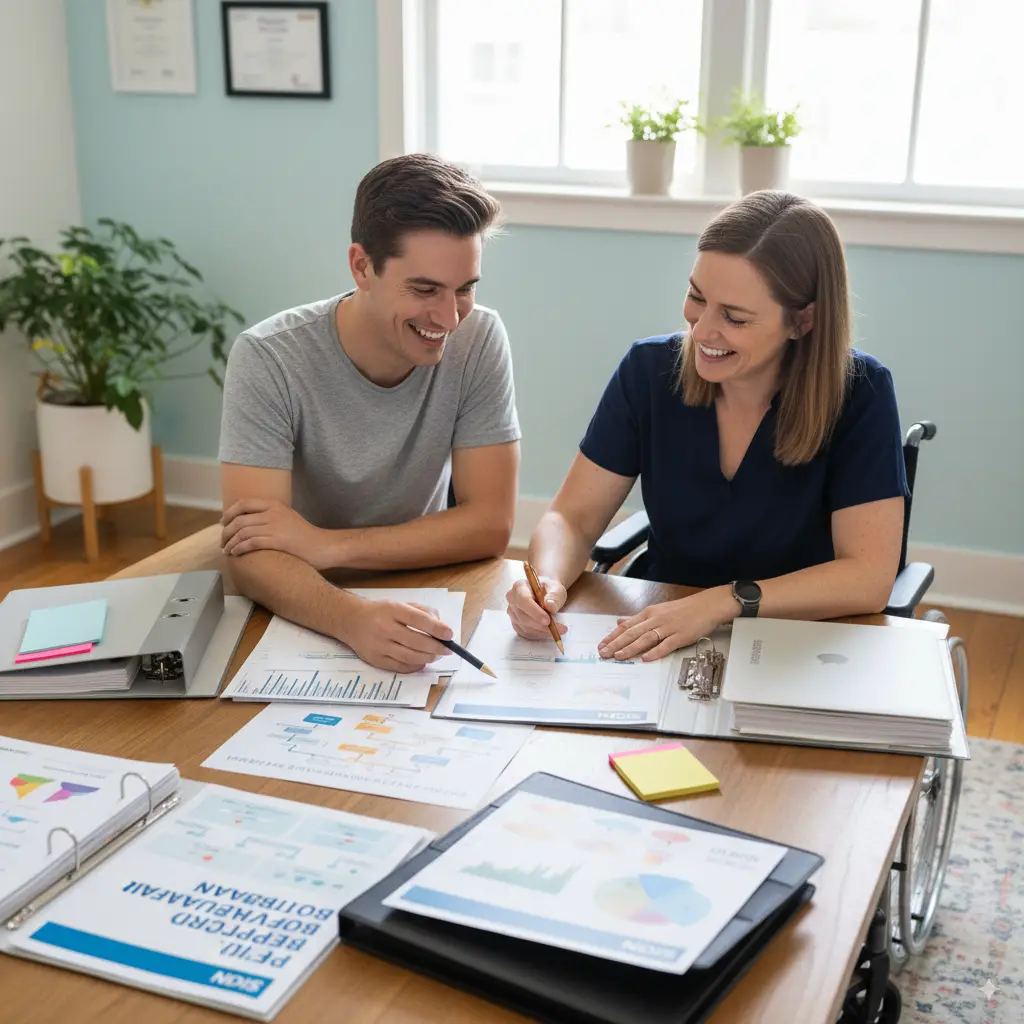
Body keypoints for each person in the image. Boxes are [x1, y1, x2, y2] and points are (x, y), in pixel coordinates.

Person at [506, 190, 907, 662]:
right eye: (696, 297)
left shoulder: (861, 393)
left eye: (734, 317)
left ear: (803, 321)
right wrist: (547, 579)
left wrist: (722, 603)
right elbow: (571, 520)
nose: (701, 330)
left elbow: (867, 578)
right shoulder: (648, 371)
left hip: (799, 642)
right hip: (661, 625)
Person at [219, 154, 521, 673]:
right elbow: (251, 554)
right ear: (362, 266)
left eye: (465, 288)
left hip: (416, 581)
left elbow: (492, 525)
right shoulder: (268, 357)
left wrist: (325, 545)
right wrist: (351, 618)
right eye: (424, 289)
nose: (449, 318)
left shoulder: (479, 338)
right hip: (305, 599)